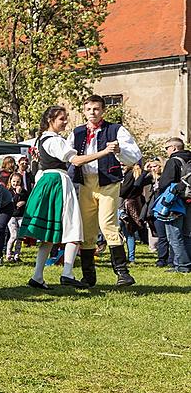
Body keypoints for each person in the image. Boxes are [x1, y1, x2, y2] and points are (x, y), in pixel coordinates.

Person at [20, 106, 116, 290]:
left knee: (48, 235)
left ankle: (37, 276)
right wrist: (104, 152)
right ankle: (67, 273)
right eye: (62, 119)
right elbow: (76, 160)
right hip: (58, 181)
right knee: (74, 227)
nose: (65, 122)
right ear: (51, 120)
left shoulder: (40, 139)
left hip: (46, 181)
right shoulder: (55, 140)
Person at [67, 95, 142, 287]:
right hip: (85, 183)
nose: (93, 112)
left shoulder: (116, 130)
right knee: (88, 229)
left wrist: (118, 151)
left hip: (108, 182)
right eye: (89, 109)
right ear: (84, 111)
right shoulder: (77, 132)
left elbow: (134, 156)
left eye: (97, 109)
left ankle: (123, 273)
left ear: (103, 111)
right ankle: (89, 277)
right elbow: (67, 156)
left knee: (108, 224)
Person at [154, 138, 191, 273]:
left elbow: (165, 183)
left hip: (175, 202)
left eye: (167, 148)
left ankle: (182, 265)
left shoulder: (173, 161)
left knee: (174, 235)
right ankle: (186, 263)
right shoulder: (189, 160)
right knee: (187, 234)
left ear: (174, 148)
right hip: (188, 200)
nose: (166, 151)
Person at [119, 161, 151, 264]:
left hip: (123, 205)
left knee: (118, 231)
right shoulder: (138, 175)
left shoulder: (129, 175)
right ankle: (131, 258)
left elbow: (123, 191)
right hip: (134, 204)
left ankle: (121, 257)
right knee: (130, 233)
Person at [5, 175, 28, 262]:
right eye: (14, 181)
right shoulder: (8, 192)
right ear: (10, 181)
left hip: (21, 216)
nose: (15, 183)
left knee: (20, 236)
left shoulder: (24, 192)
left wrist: (24, 202)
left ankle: (17, 255)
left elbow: (28, 201)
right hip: (12, 216)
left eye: (18, 181)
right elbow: (10, 203)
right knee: (14, 235)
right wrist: (17, 194)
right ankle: (8, 254)